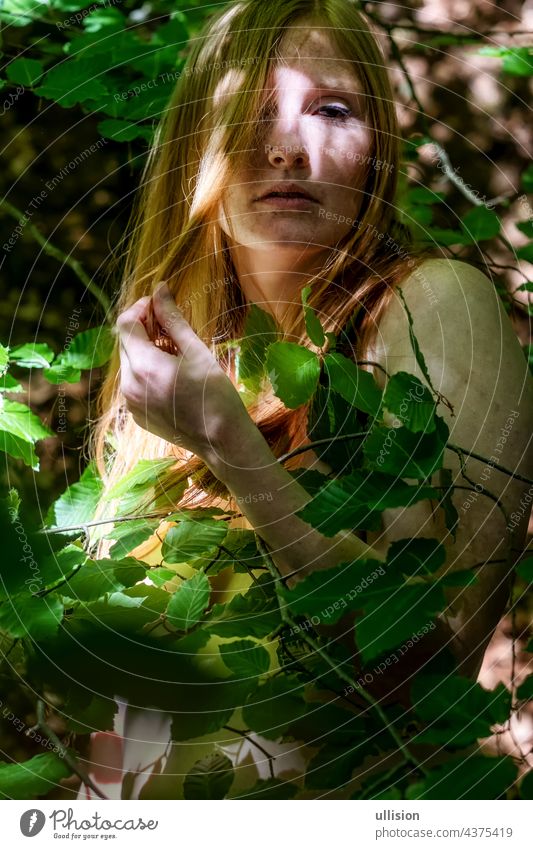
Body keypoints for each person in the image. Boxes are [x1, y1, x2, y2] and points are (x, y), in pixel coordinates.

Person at [81, 0, 533, 799]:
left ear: (377, 150)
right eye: (249, 111)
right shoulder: (171, 366)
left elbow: (422, 670)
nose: (287, 147)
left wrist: (235, 448)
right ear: (197, 140)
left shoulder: (432, 308)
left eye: (330, 108)